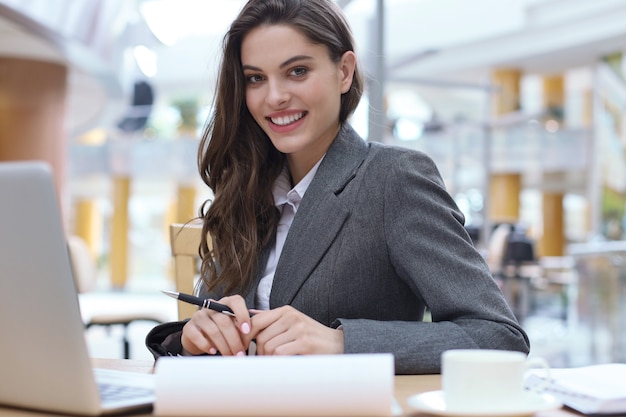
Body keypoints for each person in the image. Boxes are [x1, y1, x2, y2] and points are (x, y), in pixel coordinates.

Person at [146, 0, 530, 374]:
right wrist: (193, 339)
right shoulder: (244, 191)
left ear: (344, 71)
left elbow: (498, 336)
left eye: (297, 71)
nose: (275, 96)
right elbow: (219, 331)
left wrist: (341, 343)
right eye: (255, 78)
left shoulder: (393, 179)